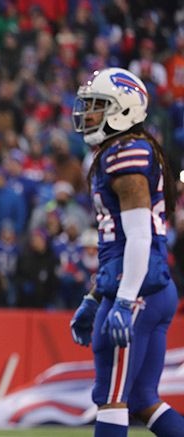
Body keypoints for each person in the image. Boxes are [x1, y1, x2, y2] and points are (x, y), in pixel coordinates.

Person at [70, 67, 184, 437]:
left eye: (98, 106)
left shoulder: (126, 152)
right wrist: (93, 296)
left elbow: (138, 237)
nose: (88, 114)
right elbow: (118, 241)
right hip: (148, 284)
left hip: (137, 287)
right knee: (141, 399)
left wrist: (121, 301)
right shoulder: (125, 150)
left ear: (124, 109)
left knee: (112, 397)